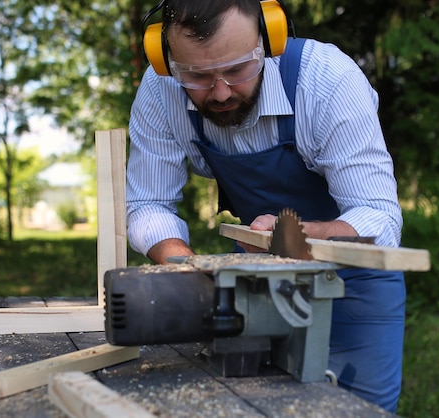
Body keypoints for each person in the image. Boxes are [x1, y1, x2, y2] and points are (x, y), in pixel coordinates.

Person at [126, 0, 406, 413]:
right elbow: (148, 203)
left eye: (238, 70)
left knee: (357, 409)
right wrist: (189, 271)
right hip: (257, 277)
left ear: (269, 40)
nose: (220, 93)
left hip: (353, 278)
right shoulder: (160, 88)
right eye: (198, 76)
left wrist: (295, 235)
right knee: (254, 404)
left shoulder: (329, 80)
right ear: (166, 60)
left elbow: (380, 218)